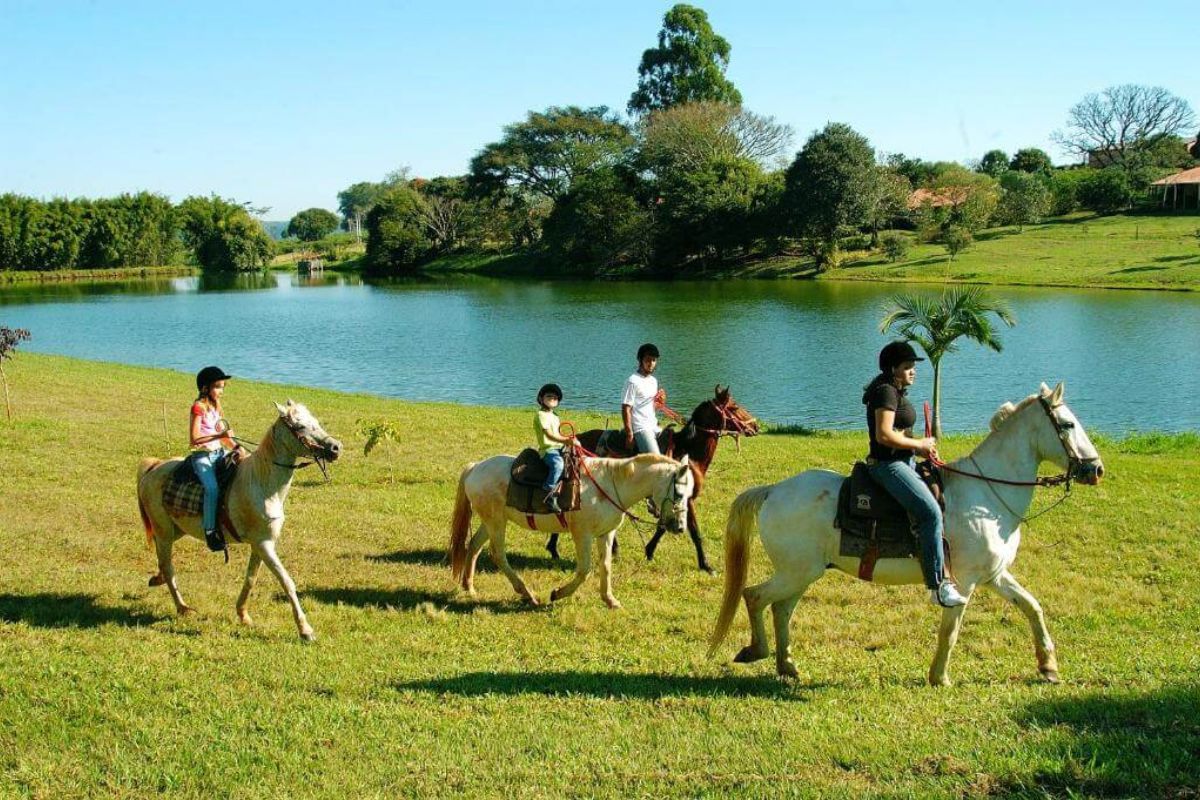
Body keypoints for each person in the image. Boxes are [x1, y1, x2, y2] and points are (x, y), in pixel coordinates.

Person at [864, 341, 968, 608]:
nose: (913, 371)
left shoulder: (895, 390)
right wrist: (919, 444)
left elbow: (898, 433)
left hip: (904, 461)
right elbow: (884, 435)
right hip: (888, 466)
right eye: (908, 367)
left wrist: (918, 448)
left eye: (913, 367)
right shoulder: (886, 392)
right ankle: (938, 586)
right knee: (929, 512)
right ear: (893, 368)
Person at [190, 365, 238, 553]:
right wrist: (219, 437)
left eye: (223, 387)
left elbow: (223, 436)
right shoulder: (198, 407)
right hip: (202, 456)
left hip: (219, 453)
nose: (221, 391)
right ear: (205, 388)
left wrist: (236, 447)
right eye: (217, 386)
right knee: (211, 489)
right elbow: (194, 439)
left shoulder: (217, 407)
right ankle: (210, 532)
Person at [534, 383, 572, 514]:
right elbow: (549, 435)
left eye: (555, 398)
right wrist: (565, 440)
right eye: (549, 396)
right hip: (548, 450)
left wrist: (568, 440)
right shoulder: (541, 415)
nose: (552, 399)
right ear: (541, 398)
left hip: (560, 448)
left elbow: (558, 433)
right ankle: (549, 493)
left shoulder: (555, 416)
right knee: (558, 464)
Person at [622, 343, 662, 455]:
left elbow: (651, 406)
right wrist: (630, 434)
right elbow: (626, 408)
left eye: (654, 360)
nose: (651, 364)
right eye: (648, 360)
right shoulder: (632, 381)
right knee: (656, 460)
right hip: (640, 428)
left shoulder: (654, 381)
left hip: (653, 426)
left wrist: (659, 402)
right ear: (640, 360)